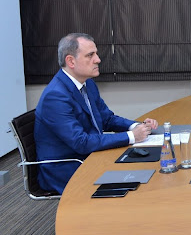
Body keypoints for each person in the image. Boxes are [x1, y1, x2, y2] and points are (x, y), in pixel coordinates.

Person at [34, 33, 158, 194]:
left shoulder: (88, 84)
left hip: (89, 156)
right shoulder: (55, 96)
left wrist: (136, 126)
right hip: (67, 168)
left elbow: (107, 119)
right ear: (71, 61)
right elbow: (81, 142)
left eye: (96, 54)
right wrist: (132, 136)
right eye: (90, 55)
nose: (98, 60)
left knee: (147, 168)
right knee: (137, 180)